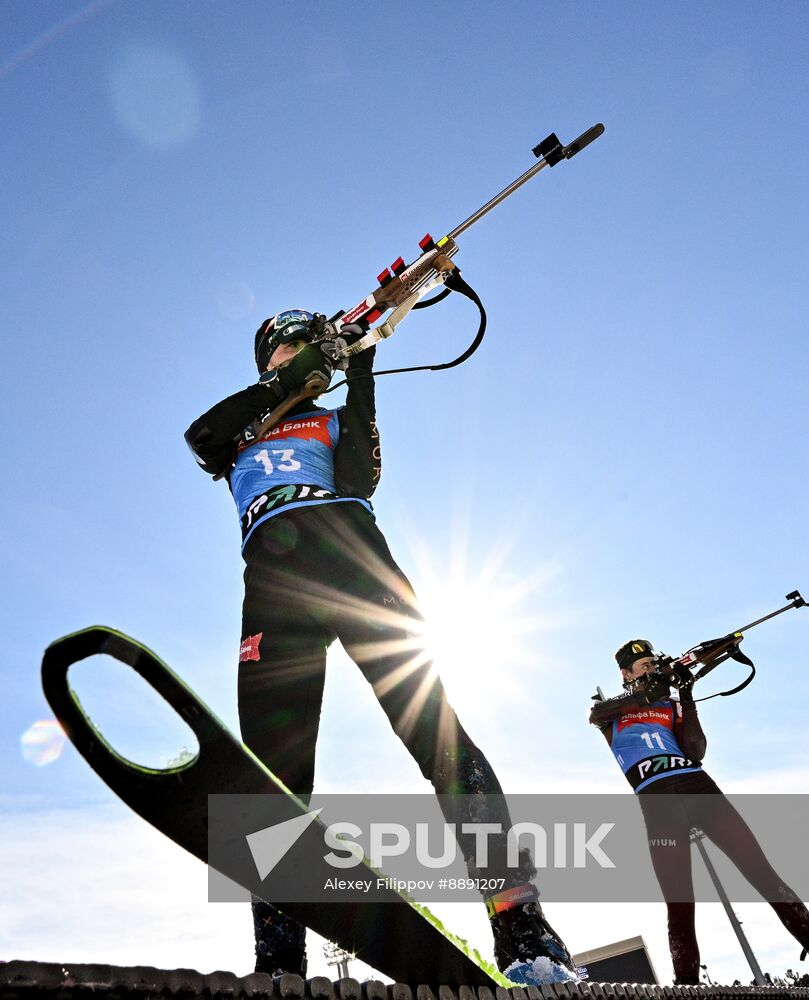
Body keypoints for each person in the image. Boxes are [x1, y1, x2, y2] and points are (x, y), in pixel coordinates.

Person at [184, 309, 576, 984]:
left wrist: (360, 368)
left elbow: (359, 479)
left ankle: (525, 934)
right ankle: (279, 963)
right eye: (286, 343)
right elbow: (202, 437)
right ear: (268, 356)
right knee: (273, 781)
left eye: (304, 342)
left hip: (354, 558)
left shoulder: (332, 416)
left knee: (438, 736)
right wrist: (294, 380)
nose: (296, 350)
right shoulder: (241, 430)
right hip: (274, 582)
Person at [589, 638, 809, 990]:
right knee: (679, 901)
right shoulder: (611, 710)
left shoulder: (669, 705)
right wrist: (653, 689)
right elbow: (596, 715)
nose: (652, 670)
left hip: (699, 789)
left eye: (655, 664)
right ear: (626, 674)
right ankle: (687, 986)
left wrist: (684, 696)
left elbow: (696, 751)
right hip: (658, 805)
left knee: (761, 873)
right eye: (644, 667)